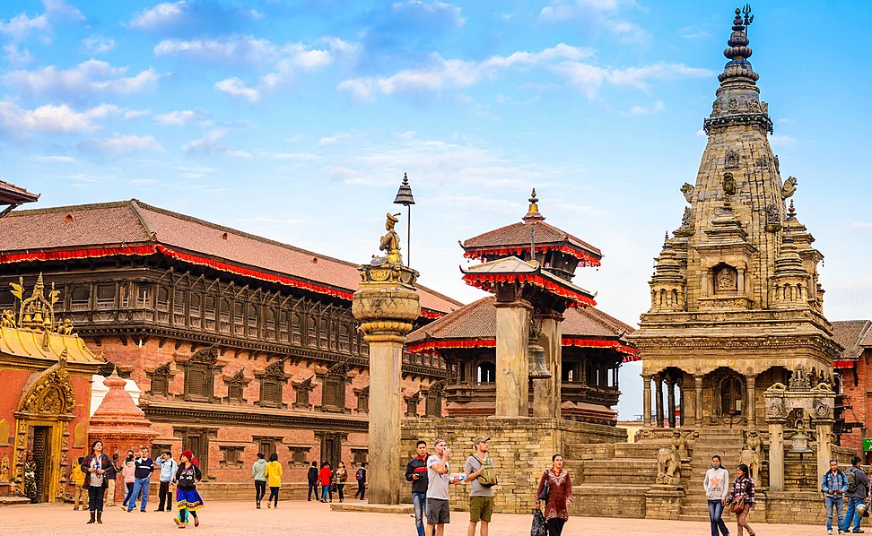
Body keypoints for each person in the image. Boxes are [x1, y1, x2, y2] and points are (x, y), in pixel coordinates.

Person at [426, 439, 463, 536]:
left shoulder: (446, 463)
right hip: (434, 496)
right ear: (435, 448)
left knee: (441, 524)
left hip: (444, 497)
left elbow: (444, 478)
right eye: (441, 445)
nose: (443, 447)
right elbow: (438, 469)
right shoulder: (431, 459)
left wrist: (453, 480)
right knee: (431, 523)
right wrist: (445, 457)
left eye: (445, 445)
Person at [464, 436, 496, 536]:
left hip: (489, 494)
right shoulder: (470, 459)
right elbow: (465, 478)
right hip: (477, 495)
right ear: (477, 445)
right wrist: (478, 472)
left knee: (485, 522)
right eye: (484, 442)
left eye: (487, 442)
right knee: (473, 521)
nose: (487, 444)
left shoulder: (490, 460)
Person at [535, 453, 573, 536]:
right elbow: (541, 487)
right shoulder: (547, 473)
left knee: (558, 532)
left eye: (561, 460)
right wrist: (537, 500)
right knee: (553, 532)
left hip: (562, 507)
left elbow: (568, 488)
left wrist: (569, 498)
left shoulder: (566, 474)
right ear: (553, 462)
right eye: (557, 460)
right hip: (551, 507)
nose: (559, 462)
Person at [82, 440, 112, 525]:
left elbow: (111, 467)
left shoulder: (105, 457)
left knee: (100, 499)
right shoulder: (89, 457)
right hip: (91, 480)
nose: (99, 447)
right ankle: (92, 518)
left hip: (101, 481)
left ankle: (99, 518)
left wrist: (104, 471)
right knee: (92, 499)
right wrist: (88, 469)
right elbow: (82, 466)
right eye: (97, 445)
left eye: (101, 445)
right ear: (94, 447)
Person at [173, 450, 204, 528]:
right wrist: (174, 481)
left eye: (184, 456)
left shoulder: (193, 467)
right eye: (182, 456)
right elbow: (176, 476)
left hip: (190, 489)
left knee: (190, 506)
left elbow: (199, 475)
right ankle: (183, 522)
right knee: (181, 505)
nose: (182, 458)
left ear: (188, 457)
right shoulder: (180, 466)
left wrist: (195, 483)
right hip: (181, 489)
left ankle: (195, 517)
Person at [405, 440, 429, 536]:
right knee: (418, 518)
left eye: (424, 447)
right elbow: (407, 476)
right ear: (417, 450)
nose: (422, 450)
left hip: (429, 492)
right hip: (417, 493)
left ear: (426, 448)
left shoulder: (431, 460)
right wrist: (412, 477)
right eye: (420, 448)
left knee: (430, 517)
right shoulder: (412, 462)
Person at [841, 455, 870, 534]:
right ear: (858, 463)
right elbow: (866, 482)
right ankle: (856, 528)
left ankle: (844, 527)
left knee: (850, 510)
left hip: (850, 493)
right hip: (858, 494)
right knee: (859, 511)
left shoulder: (847, 471)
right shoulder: (859, 472)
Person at [704, 454, 730, 536]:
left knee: (717, 517)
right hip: (710, 498)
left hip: (720, 498)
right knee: (712, 519)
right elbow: (705, 482)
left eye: (717, 461)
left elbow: (726, 485)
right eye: (714, 461)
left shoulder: (724, 472)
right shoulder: (709, 472)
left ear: (720, 462)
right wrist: (707, 491)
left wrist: (723, 496)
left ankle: (725, 532)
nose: (715, 463)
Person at [727, 463, 756, 536]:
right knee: (738, 522)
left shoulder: (749, 481)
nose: (738, 472)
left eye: (739, 471)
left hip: (745, 503)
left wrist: (752, 505)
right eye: (737, 471)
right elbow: (733, 492)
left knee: (742, 521)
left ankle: (751, 532)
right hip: (736, 503)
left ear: (744, 471)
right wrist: (729, 501)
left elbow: (752, 493)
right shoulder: (736, 480)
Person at [822, 458, 848, 535]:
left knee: (840, 515)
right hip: (829, 496)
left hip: (839, 496)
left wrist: (842, 490)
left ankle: (841, 529)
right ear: (830, 466)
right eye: (832, 465)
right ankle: (829, 529)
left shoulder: (842, 474)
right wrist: (827, 490)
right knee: (829, 514)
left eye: (835, 465)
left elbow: (846, 485)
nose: (834, 466)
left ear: (837, 465)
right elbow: (823, 486)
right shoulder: (826, 475)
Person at [127, 445, 154, 513]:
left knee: (145, 494)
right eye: (143, 452)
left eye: (145, 452)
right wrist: (141, 457)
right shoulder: (137, 459)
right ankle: (130, 507)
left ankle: (143, 508)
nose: (144, 453)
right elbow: (137, 464)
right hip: (138, 479)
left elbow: (152, 469)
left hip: (146, 479)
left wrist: (148, 476)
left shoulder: (150, 461)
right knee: (135, 493)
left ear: (148, 453)